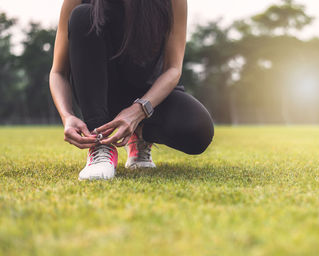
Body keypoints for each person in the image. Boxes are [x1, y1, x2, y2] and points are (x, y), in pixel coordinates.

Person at [49, 0, 214, 180]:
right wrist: (67, 116)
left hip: (149, 97)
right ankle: (101, 144)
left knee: (198, 130)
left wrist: (138, 112)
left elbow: (173, 69)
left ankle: (140, 135)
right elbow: (59, 72)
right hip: (101, 95)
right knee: (83, 14)